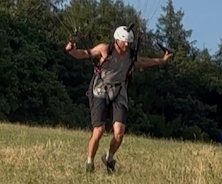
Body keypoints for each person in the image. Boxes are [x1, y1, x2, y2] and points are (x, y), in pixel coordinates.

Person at [65, 26, 172, 173]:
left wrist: (161, 60)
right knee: (99, 130)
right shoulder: (105, 49)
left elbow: (144, 61)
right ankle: (89, 162)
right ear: (117, 40)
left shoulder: (131, 56)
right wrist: (71, 50)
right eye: (124, 42)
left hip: (119, 91)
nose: (127, 45)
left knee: (119, 132)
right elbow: (84, 54)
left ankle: (109, 158)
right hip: (100, 88)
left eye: (129, 42)